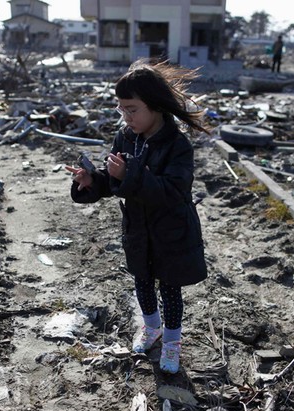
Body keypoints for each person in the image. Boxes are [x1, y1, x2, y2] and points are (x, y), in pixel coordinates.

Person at [65, 59, 209, 374]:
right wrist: (93, 181)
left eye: (132, 109)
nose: (126, 117)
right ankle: (151, 328)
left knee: (170, 291)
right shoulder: (125, 137)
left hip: (171, 232)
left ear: (155, 106)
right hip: (138, 230)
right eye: (121, 110)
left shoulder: (177, 145)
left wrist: (129, 174)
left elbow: (173, 191)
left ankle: (171, 343)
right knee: (142, 283)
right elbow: (114, 180)